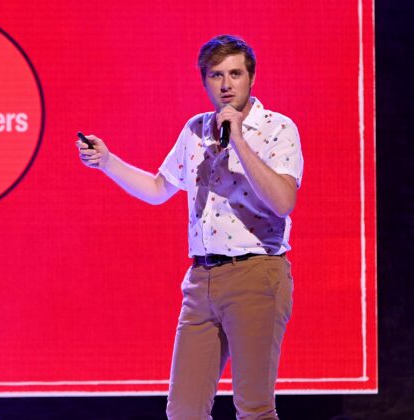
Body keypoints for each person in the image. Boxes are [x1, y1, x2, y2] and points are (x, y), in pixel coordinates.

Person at [76, 34, 303, 420]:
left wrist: (241, 143)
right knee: (184, 411)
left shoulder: (277, 128)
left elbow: (283, 201)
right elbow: (158, 189)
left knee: (254, 408)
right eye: (217, 75)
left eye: (235, 73)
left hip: (256, 272)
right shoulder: (196, 130)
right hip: (201, 280)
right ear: (205, 81)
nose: (226, 84)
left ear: (251, 78)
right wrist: (108, 162)